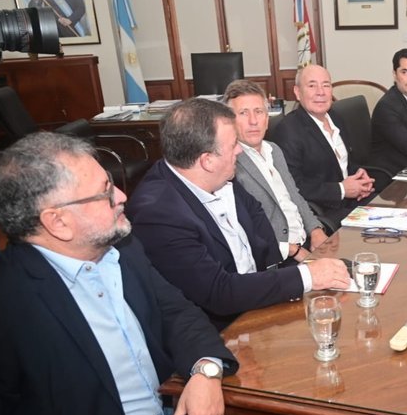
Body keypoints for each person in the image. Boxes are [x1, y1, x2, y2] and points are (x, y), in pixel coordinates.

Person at [0, 132, 282, 415]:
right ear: (58, 222)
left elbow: (175, 311)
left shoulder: (120, 248)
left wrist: (205, 370)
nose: (122, 197)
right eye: (105, 191)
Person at [128, 98, 350, 330]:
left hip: (259, 303)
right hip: (222, 330)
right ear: (207, 160)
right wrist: (307, 276)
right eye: (234, 144)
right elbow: (219, 293)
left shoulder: (220, 177)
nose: (240, 150)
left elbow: (259, 228)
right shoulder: (159, 215)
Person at [223, 80, 328, 263]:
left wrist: (316, 229)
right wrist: (294, 252)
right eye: (243, 113)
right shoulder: (230, 164)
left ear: (267, 117)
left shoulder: (274, 150)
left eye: (258, 112)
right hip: (278, 258)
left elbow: (295, 196)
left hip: (306, 242)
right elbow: (247, 230)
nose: (253, 121)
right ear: (230, 120)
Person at [269, 64, 376, 223]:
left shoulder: (336, 118)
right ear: (298, 92)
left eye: (326, 85)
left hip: (353, 201)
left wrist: (359, 175)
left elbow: (343, 163)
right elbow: (294, 186)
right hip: (325, 212)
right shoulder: (288, 130)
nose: (320, 92)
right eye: (312, 86)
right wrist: (342, 190)